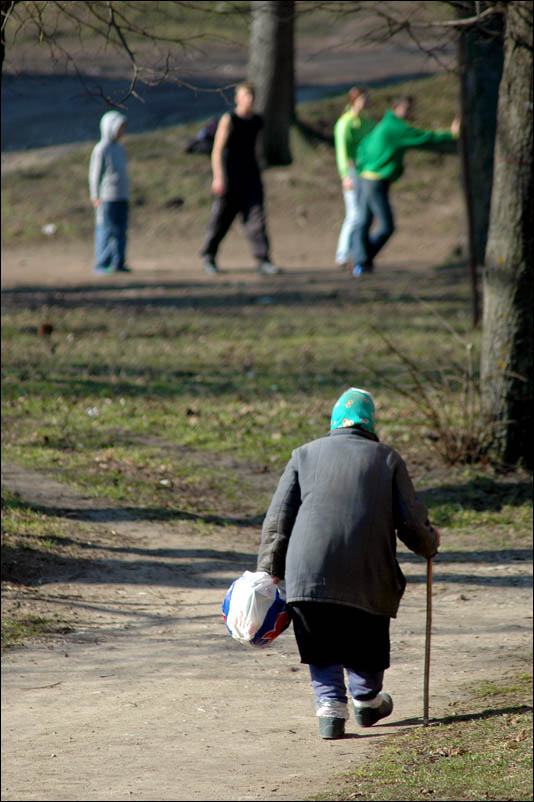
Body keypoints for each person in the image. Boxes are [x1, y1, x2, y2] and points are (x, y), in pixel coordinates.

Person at [257, 387, 440, 740]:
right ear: (371, 424)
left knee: (319, 637)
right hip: (367, 575)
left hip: (307, 575)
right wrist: (429, 543)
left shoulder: (303, 455)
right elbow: (412, 523)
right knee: (365, 635)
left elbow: (278, 520)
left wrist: (269, 569)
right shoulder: (387, 459)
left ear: (334, 422)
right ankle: (367, 699)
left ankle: (329, 707)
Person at [351, 95, 460, 275]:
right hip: (375, 181)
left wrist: (361, 167)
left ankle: (360, 262)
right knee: (386, 226)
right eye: (407, 109)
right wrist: (451, 134)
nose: (410, 113)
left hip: (366, 177)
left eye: (411, 109)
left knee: (364, 221)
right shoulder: (395, 128)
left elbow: (363, 145)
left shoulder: (384, 124)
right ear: (396, 108)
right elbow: (424, 139)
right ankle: (361, 261)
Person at [200, 82, 278, 276]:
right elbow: (217, 150)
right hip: (230, 177)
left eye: (251, 95)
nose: (249, 99)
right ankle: (208, 256)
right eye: (245, 95)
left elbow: (258, 147)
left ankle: (263, 260)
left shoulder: (257, 121)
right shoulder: (229, 119)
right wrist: (218, 177)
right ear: (237, 98)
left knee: (256, 220)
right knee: (221, 220)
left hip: (251, 177)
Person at [333, 88, 376, 271]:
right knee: (354, 213)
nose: (364, 103)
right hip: (351, 171)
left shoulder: (367, 122)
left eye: (366, 100)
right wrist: (345, 175)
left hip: (365, 171)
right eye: (361, 100)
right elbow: (341, 152)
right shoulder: (345, 123)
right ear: (353, 101)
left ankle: (354, 252)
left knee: (363, 213)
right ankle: (343, 254)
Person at [89, 110, 131, 275]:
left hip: (122, 196)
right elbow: (95, 174)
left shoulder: (120, 149)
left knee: (121, 231)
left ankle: (118, 262)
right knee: (106, 230)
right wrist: (95, 195)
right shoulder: (101, 149)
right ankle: (102, 263)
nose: (122, 131)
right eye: (120, 128)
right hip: (107, 197)